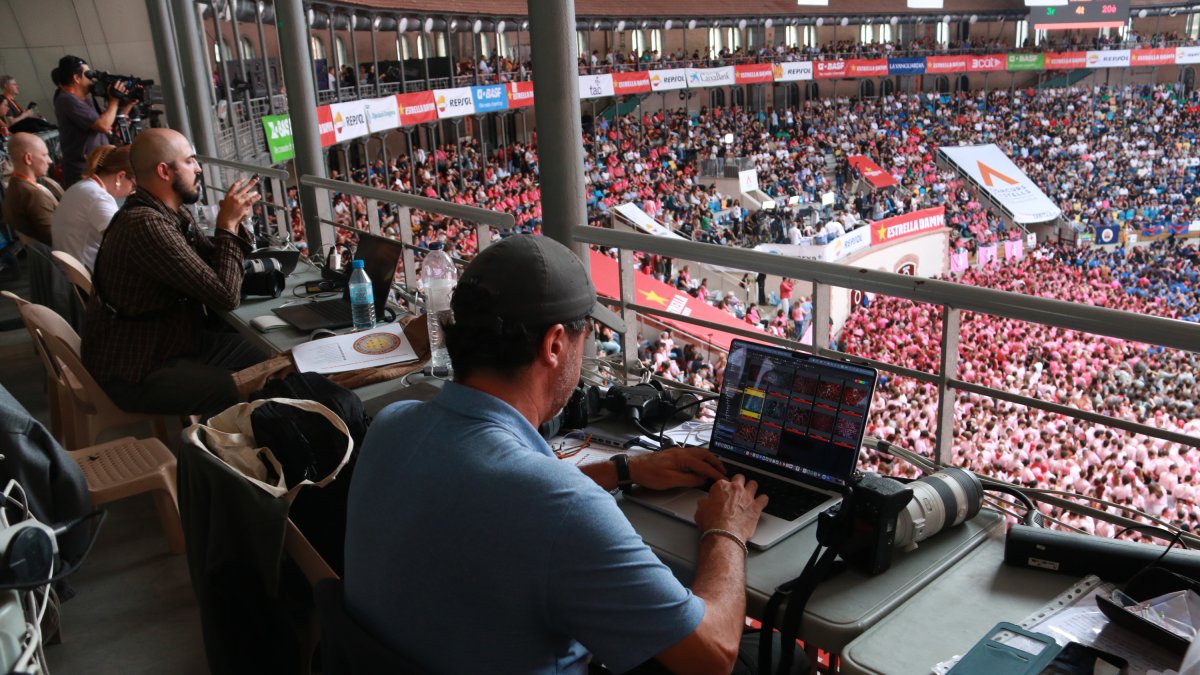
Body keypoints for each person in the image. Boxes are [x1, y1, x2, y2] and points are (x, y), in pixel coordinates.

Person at [346, 235, 794, 674]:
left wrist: (622, 470)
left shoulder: (392, 424)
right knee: (777, 655)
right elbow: (712, 656)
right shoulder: (561, 507)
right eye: (585, 338)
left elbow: (497, 493)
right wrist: (726, 531)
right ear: (555, 344)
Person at [80, 128, 265, 417]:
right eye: (190, 161)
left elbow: (212, 262)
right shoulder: (145, 225)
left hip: (169, 344)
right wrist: (226, 226)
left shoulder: (171, 213)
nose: (199, 169)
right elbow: (226, 294)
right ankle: (219, 456)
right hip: (137, 369)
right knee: (251, 384)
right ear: (164, 171)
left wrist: (235, 222)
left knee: (267, 358)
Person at [52, 55, 135, 187]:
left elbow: (109, 121)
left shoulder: (85, 100)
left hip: (96, 166)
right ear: (76, 78)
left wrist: (128, 104)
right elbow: (103, 125)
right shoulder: (66, 100)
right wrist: (114, 99)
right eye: (88, 75)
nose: (92, 80)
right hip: (82, 170)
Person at [51, 144, 135, 271]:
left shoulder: (83, 187)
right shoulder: (98, 198)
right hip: (88, 275)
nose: (132, 192)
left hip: (70, 271)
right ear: (120, 176)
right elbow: (126, 242)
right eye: (134, 186)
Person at [2, 132, 59, 246]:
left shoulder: (14, 184)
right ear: (28, 158)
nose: (50, 160)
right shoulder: (33, 194)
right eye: (44, 155)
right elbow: (55, 239)